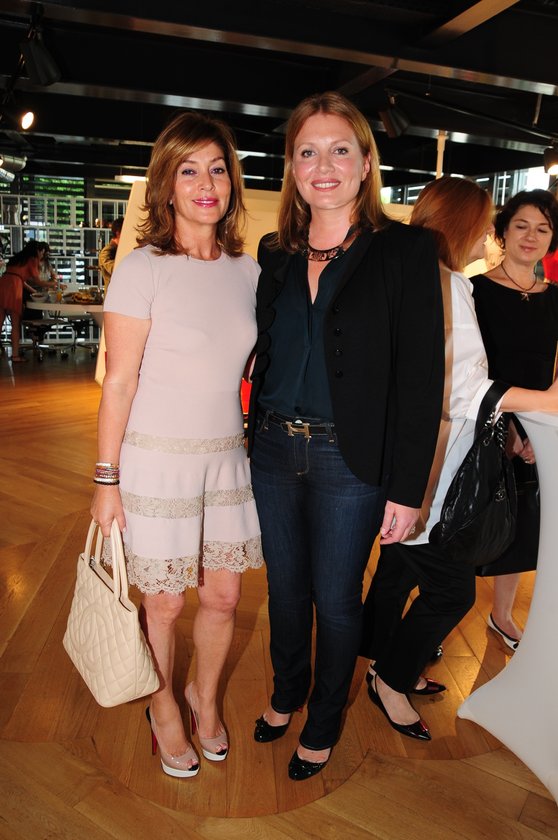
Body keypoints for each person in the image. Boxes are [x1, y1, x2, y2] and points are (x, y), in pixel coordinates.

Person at [247, 91, 446, 780]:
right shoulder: (275, 253)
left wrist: (408, 489)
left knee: (335, 601)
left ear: (366, 163)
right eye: (308, 152)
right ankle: (286, 693)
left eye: (339, 150)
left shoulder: (406, 251)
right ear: (292, 167)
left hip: (349, 460)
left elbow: (421, 380)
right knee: (284, 591)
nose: (323, 165)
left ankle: (325, 718)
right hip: (273, 448)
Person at [90, 111, 263, 779]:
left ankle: (203, 698)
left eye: (217, 169)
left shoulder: (248, 270)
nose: (206, 184)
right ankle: (162, 706)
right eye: (189, 170)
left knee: (223, 599)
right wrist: (105, 480)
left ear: (232, 181)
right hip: (156, 459)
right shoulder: (142, 267)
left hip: (225, 459)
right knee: (162, 602)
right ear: (165, 184)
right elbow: (120, 380)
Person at [360, 176, 558, 741]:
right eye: (493, 223)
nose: (490, 236)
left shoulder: (427, 279)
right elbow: (463, 386)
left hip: (423, 457)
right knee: (452, 591)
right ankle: (390, 678)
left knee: (401, 567)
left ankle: (376, 657)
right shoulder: (447, 285)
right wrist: (542, 403)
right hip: (433, 464)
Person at [470, 189, 558, 650]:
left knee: (523, 524)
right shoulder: (475, 290)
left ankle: (502, 615)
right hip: (483, 424)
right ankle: (433, 617)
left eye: (543, 229)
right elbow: (470, 369)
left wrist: (537, 431)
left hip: (538, 426)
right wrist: (505, 429)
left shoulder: (554, 297)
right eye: (521, 225)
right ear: (502, 231)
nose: (531, 236)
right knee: (463, 521)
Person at [0, 240, 57, 362]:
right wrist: (53, 284)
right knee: (15, 323)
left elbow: (18, 276)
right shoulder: (33, 259)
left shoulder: (18, 258)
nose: (42, 255)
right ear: (38, 251)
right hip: (14, 286)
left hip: (3, 282)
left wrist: (34, 290)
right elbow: (38, 281)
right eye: (42, 252)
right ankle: (15, 356)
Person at [98, 217, 124, 288]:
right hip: (115, 293)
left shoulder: (119, 249)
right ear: (118, 233)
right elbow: (116, 270)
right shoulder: (106, 252)